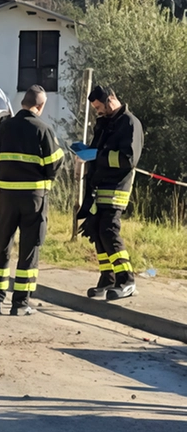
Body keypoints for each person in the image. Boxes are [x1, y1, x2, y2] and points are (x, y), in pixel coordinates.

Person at [0, 85, 64, 316]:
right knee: (29, 249)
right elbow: (55, 164)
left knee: (3, 246)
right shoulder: (43, 130)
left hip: (7, 198)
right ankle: (20, 304)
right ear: (40, 106)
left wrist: (7, 173)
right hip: (34, 200)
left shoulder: (3, 128)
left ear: (23, 103)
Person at [75, 86, 144, 300]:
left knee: (108, 230)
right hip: (99, 188)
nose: (98, 112)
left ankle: (126, 279)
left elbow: (127, 159)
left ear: (110, 99)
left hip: (116, 189)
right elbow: (99, 152)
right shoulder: (106, 124)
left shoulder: (129, 123)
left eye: (99, 107)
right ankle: (108, 277)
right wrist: (86, 152)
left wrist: (97, 155)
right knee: (96, 230)